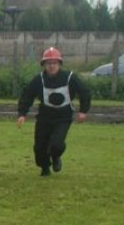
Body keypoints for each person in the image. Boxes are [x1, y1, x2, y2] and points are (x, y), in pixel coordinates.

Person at [15, 47, 90, 176]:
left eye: (54, 63)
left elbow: (84, 92)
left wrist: (83, 111)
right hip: (44, 117)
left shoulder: (70, 77)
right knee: (39, 147)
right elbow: (27, 95)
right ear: (44, 65)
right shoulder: (39, 79)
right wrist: (22, 114)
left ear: (59, 64)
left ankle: (56, 157)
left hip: (63, 118)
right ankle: (45, 168)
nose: (51, 66)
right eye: (48, 63)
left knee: (56, 144)